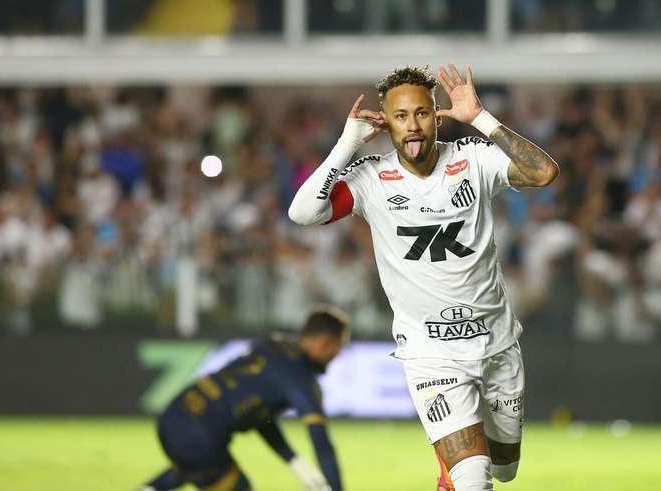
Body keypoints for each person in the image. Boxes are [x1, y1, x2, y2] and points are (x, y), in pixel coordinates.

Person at [288, 64, 558, 491]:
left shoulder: (473, 158)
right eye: (400, 116)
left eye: (421, 113)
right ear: (386, 122)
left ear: (437, 115)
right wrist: (346, 145)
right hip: (431, 353)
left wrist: (481, 119)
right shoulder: (371, 178)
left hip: (497, 341)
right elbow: (302, 213)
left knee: (505, 468)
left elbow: (543, 173)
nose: (412, 126)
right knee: (475, 479)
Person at [140, 306, 350, 491]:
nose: (337, 354)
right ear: (325, 343)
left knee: (198, 469)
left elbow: (259, 416)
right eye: (338, 347)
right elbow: (323, 447)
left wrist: (294, 461)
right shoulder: (302, 379)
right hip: (199, 436)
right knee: (218, 475)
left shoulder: (273, 345)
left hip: (174, 416)